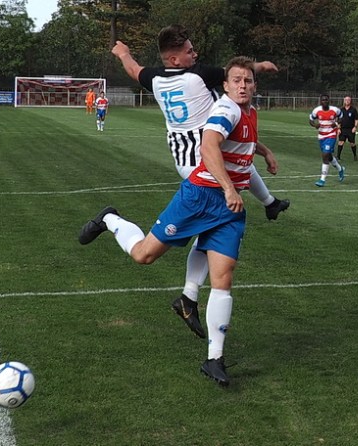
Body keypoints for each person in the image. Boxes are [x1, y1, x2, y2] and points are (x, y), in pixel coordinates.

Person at [79, 56, 280, 387]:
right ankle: (110, 219)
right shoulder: (226, 109)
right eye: (237, 81)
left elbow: (242, 139)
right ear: (225, 85)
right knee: (144, 254)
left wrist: (265, 152)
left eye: (248, 80)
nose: (243, 85)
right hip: (200, 198)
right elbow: (209, 145)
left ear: (254, 85)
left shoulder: (249, 112)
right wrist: (229, 187)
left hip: (229, 210)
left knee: (223, 277)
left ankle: (215, 359)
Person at [111, 25, 289, 340]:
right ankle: (269, 204)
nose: (195, 54)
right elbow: (236, 73)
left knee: (212, 227)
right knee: (229, 185)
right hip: (203, 163)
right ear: (176, 58)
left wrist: (123, 52)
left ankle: (189, 298)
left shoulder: (155, 77)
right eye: (190, 51)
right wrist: (260, 67)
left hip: (183, 158)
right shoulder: (196, 76)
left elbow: (133, 69)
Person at [309, 94, 345, 187]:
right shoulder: (317, 110)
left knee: (325, 154)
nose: (325, 101)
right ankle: (340, 169)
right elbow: (311, 120)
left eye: (326, 100)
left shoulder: (335, 110)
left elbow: (341, 116)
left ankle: (322, 180)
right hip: (321, 136)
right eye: (323, 100)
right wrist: (314, 125)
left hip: (331, 135)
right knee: (328, 156)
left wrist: (336, 123)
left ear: (329, 101)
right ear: (321, 101)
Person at [336, 96, 358, 161]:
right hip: (343, 129)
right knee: (341, 142)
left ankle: (355, 156)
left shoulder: (353, 109)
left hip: (350, 129)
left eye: (348, 100)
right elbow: (338, 120)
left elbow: (357, 119)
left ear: (350, 101)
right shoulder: (341, 109)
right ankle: (338, 156)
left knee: (352, 143)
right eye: (346, 100)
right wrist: (338, 129)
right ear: (344, 101)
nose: (347, 101)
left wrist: (355, 127)